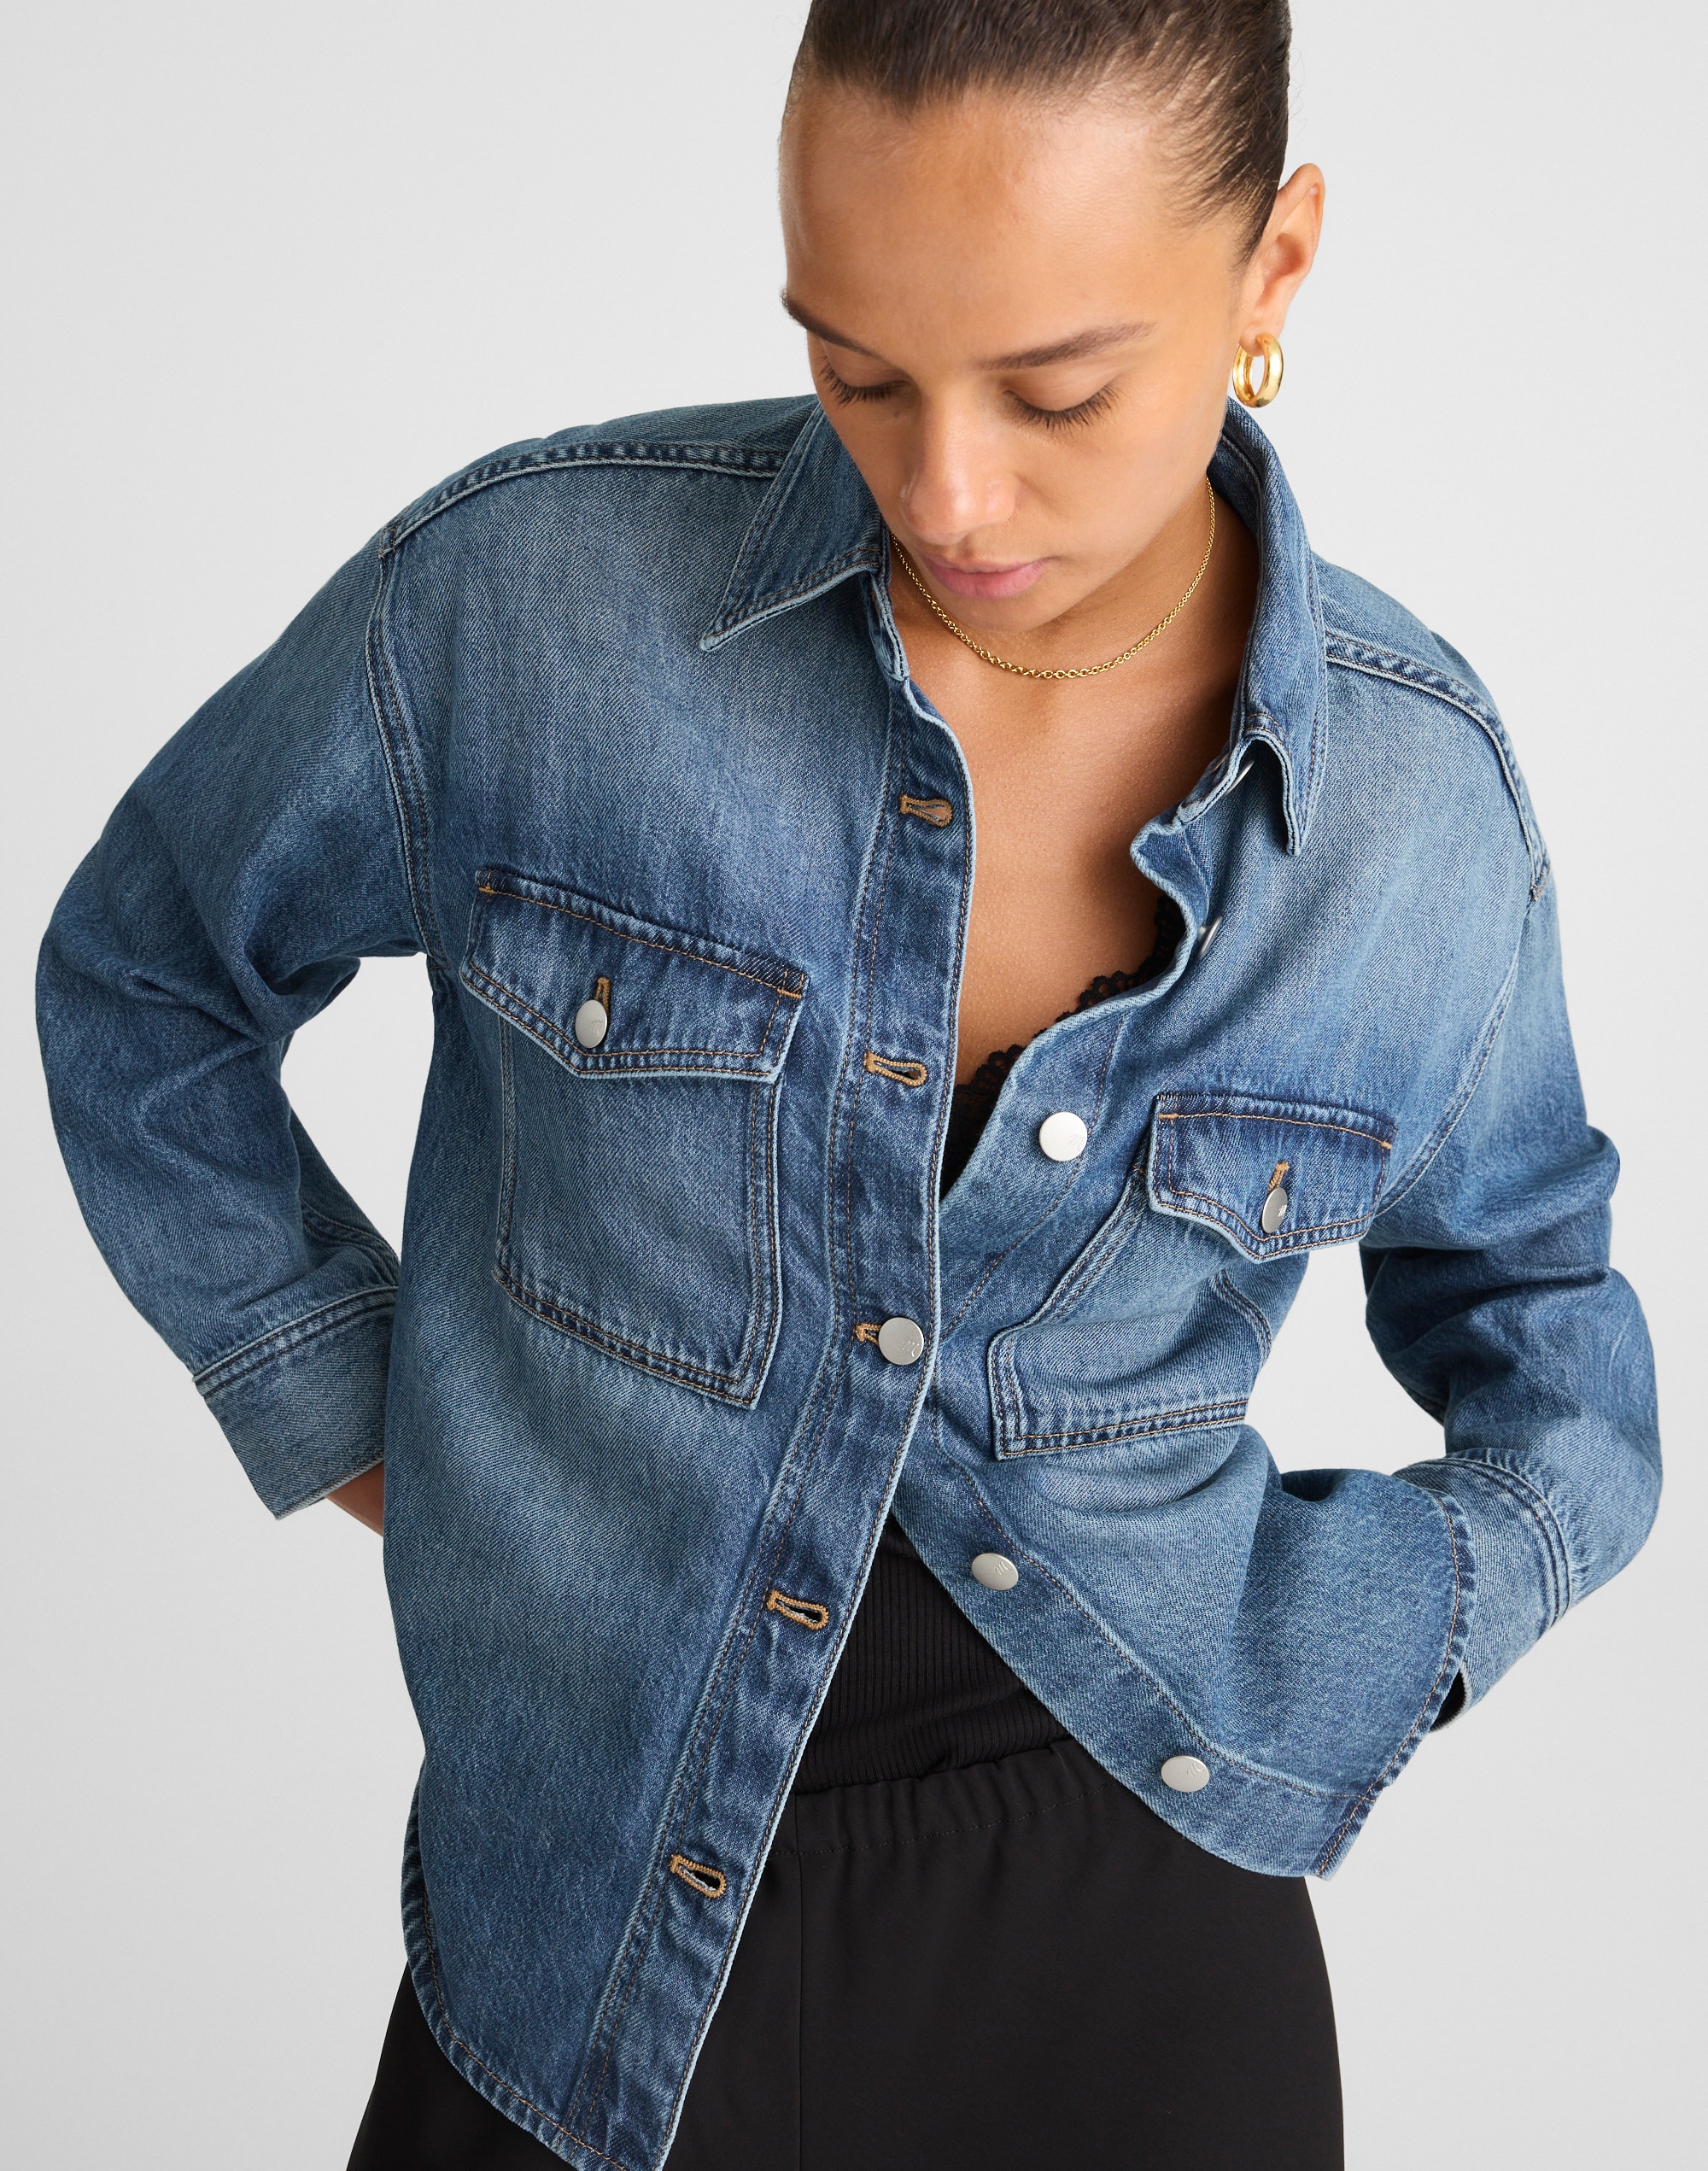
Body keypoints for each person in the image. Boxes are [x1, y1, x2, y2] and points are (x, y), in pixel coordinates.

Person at [37, 2, 1660, 2166]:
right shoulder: (528, 608)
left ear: (1272, 267)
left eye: (1055, 389)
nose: (946, 490)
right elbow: (144, 981)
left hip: (1139, 1925)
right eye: (859, 368)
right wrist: (355, 1409)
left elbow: (1549, 1333)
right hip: (586, 1926)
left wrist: (1385, 1630)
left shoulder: (1412, 811)